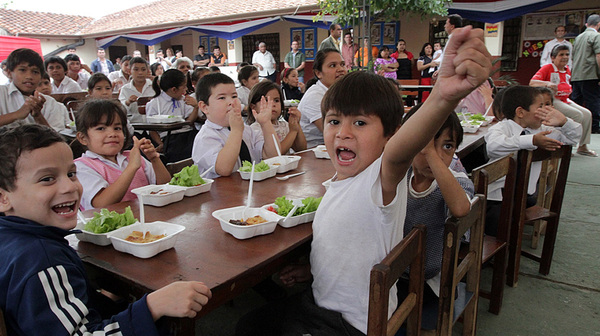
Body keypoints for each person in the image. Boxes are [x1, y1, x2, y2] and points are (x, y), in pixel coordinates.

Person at [235, 25, 492, 335]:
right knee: (249, 323)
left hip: (352, 325)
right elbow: (346, 248)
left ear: (390, 135)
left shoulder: (382, 179)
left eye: (359, 122)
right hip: (321, 302)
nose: (343, 132)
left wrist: (441, 97)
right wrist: (309, 270)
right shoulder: (340, 182)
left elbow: (400, 152)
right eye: (334, 121)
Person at [0, 124, 212, 335]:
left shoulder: (16, 239)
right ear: (3, 197)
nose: (70, 187)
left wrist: (102, 298)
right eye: (47, 179)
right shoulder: (42, 262)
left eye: (71, 174)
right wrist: (151, 307)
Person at [400, 104, 473, 333]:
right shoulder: (403, 174)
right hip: (398, 272)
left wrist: (430, 153)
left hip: (430, 282)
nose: (439, 155)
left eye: (448, 146)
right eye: (424, 144)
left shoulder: (456, 182)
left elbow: (461, 208)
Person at [484, 85, 581, 236]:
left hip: (526, 197)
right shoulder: (501, 128)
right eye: (540, 107)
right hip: (497, 196)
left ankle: (503, 248)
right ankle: (494, 252)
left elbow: (574, 137)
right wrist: (531, 140)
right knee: (494, 220)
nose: (546, 112)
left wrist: (563, 122)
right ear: (521, 112)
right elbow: (493, 146)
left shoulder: (543, 130)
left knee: (501, 220)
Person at [74, 99, 171, 210]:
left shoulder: (131, 157)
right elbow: (102, 203)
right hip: (113, 226)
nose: (112, 134)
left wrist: (154, 159)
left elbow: (165, 186)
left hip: (145, 220)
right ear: (83, 138)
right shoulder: (81, 167)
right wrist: (131, 167)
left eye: (117, 128)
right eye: (101, 128)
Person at [191, 73, 280, 179]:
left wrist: (266, 123)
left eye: (234, 96)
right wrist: (236, 130)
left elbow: (273, 156)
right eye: (222, 98)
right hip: (219, 194)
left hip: (249, 190)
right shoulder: (206, 137)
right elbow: (224, 169)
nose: (231, 102)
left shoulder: (247, 130)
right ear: (204, 107)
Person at [530, 44, 595, 156]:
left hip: (566, 99)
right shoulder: (547, 68)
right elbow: (532, 83)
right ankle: (567, 146)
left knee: (587, 114)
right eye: (561, 55)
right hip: (553, 100)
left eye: (567, 54)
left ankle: (583, 146)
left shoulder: (567, 70)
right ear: (553, 58)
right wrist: (547, 83)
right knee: (577, 115)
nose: (565, 57)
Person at [0, 48, 69, 131]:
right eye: (22, 70)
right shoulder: (1, 93)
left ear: (41, 76)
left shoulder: (50, 103)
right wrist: (17, 114)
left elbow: (55, 139)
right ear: (9, 72)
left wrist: (38, 116)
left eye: (35, 72)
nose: (29, 76)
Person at [146, 69, 199, 162]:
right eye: (184, 87)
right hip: (170, 137)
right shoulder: (154, 103)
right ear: (174, 89)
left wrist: (196, 107)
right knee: (179, 151)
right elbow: (152, 129)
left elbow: (190, 121)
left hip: (187, 134)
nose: (186, 89)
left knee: (200, 141)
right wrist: (160, 143)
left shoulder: (184, 100)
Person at [299, 48, 347, 148]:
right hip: (312, 153)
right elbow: (333, 132)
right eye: (333, 65)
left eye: (342, 64)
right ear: (318, 73)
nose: (341, 69)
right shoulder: (315, 95)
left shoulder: (340, 92)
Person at [245, 80, 306, 154]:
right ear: (253, 107)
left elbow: (301, 149)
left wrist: (296, 125)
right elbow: (276, 154)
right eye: (266, 100)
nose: (273, 104)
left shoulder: (284, 125)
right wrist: (292, 132)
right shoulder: (255, 129)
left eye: (276, 100)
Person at [570, 14, 600, 134]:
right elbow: (598, 55)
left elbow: (573, 56)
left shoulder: (578, 37)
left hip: (577, 74)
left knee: (576, 101)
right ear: (598, 24)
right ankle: (594, 126)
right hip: (590, 74)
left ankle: (574, 125)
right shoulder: (596, 36)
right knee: (593, 100)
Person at [119, 57, 155, 123]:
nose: (140, 73)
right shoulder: (125, 89)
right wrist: (128, 102)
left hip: (154, 125)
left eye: (143, 69)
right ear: (130, 71)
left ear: (147, 71)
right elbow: (120, 110)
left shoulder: (154, 87)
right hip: (135, 127)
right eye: (136, 69)